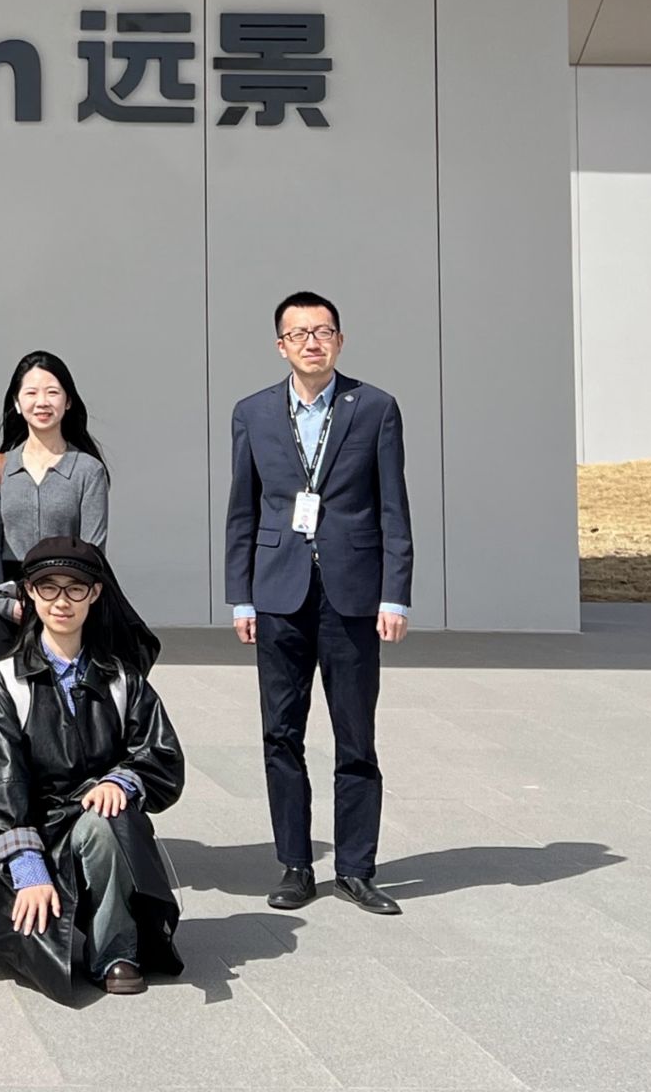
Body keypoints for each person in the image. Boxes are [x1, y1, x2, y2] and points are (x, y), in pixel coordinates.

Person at [227, 291, 412, 916]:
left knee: (355, 735)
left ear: (340, 340)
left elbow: (394, 508)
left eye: (323, 331)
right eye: (299, 333)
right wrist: (241, 598)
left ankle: (356, 869)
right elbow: (243, 509)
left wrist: (395, 594)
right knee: (281, 734)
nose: (312, 342)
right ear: (280, 345)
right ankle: (296, 865)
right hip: (278, 594)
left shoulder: (375, 408)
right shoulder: (253, 412)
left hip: (352, 595)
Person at [0, 537, 185, 1002]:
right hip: (35, 834)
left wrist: (121, 780)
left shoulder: (121, 677)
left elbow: (162, 755)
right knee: (33, 940)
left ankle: (115, 951)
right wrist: (28, 867)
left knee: (106, 821)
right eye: (48, 588)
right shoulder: (8, 680)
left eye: (75, 588)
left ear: (95, 594)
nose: (61, 601)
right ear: (29, 593)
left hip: (102, 829)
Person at [0, 351, 109, 755]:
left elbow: (93, 549)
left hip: (64, 598)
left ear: (69, 401)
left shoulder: (88, 470)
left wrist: (55, 596)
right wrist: (2, 599)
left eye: (52, 391)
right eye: (31, 392)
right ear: (17, 403)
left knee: (54, 710)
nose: (41, 401)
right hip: (5, 599)